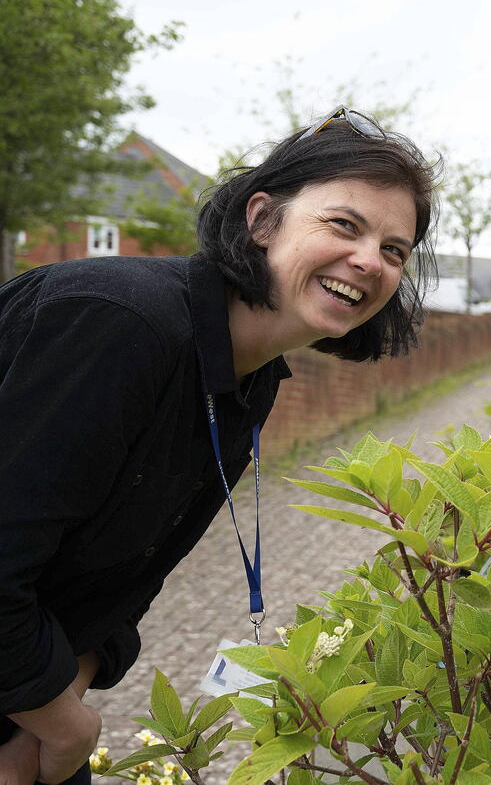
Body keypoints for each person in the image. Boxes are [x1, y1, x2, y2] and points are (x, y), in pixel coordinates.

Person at [0, 107, 438, 785]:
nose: (369, 261)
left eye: (394, 250)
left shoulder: (249, 378)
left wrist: (47, 714)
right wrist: (65, 726)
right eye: (344, 224)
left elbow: (124, 580)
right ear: (262, 220)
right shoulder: (119, 325)